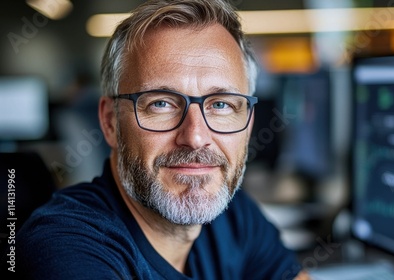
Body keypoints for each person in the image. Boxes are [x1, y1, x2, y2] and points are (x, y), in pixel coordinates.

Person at [9, 0, 309, 279]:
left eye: (221, 105)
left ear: (249, 122)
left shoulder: (234, 216)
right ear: (110, 122)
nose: (195, 137)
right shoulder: (64, 249)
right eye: (161, 104)